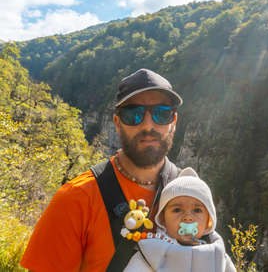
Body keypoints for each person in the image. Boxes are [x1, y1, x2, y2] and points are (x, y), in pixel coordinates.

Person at [21, 68, 185, 272]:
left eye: (161, 113)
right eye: (134, 114)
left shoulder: (189, 193)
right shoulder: (76, 199)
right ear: (117, 123)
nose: (148, 125)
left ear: (174, 122)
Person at [124, 167, 236, 272]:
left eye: (197, 210)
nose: (187, 217)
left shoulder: (217, 255)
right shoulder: (151, 253)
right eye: (177, 210)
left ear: (209, 222)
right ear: (162, 219)